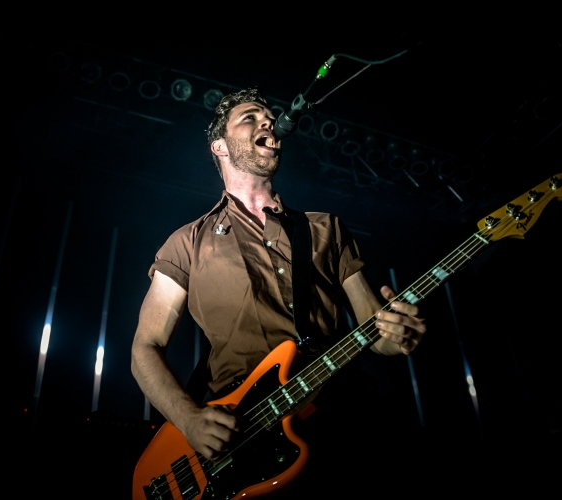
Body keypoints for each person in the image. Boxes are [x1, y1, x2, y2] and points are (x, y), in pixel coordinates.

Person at [130, 88, 426, 496]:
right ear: (219, 146)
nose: (268, 121)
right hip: (244, 436)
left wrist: (397, 334)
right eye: (250, 117)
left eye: (269, 116)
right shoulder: (186, 243)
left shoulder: (326, 228)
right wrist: (189, 419)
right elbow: (145, 347)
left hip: (340, 418)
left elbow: (376, 332)